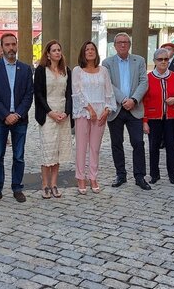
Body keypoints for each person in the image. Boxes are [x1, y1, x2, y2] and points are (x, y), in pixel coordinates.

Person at [0, 33, 33, 204]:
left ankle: (17, 187)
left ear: (17, 45)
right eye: (7, 45)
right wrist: (6, 114)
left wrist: (17, 114)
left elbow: (29, 95)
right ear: (2, 47)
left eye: (13, 44)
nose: (11, 48)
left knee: (19, 156)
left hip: (20, 119)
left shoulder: (26, 69)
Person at [102, 32, 151, 191]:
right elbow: (107, 84)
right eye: (119, 42)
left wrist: (134, 100)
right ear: (114, 45)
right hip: (116, 107)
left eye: (126, 42)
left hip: (135, 108)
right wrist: (123, 99)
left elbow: (144, 82)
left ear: (129, 45)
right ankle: (120, 174)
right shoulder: (107, 63)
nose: (123, 45)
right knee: (117, 143)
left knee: (138, 142)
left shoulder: (139, 61)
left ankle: (139, 176)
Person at [71, 41, 115, 195]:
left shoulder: (103, 70)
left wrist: (107, 110)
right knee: (81, 147)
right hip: (84, 112)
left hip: (101, 112)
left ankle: (93, 177)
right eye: (87, 49)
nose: (90, 51)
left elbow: (109, 92)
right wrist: (90, 109)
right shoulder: (77, 70)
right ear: (83, 53)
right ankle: (80, 177)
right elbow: (77, 93)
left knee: (95, 148)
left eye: (92, 49)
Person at [34, 40, 73, 198]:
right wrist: (50, 112)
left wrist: (66, 112)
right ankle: (45, 185)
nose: (57, 52)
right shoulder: (41, 70)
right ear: (48, 54)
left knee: (58, 152)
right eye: (54, 50)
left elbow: (70, 94)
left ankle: (54, 184)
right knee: (47, 151)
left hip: (63, 115)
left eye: (59, 50)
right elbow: (38, 94)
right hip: (47, 114)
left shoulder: (66, 70)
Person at [142, 48, 174, 184]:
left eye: (166, 59)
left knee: (171, 146)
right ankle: (154, 174)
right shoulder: (148, 78)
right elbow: (143, 101)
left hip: (171, 118)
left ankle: (172, 174)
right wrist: (144, 121)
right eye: (160, 59)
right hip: (153, 118)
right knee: (154, 147)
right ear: (154, 61)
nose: (163, 62)